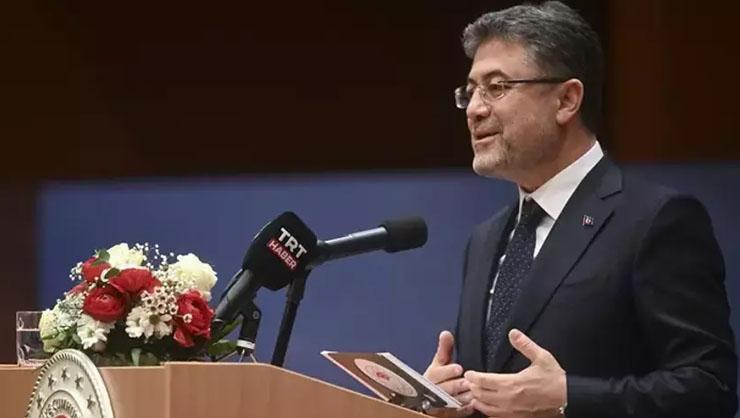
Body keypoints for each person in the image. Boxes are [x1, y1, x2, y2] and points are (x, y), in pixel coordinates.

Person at [423, 2, 738, 417]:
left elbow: (711, 388)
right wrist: (446, 398)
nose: (475, 109)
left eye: (496, 88)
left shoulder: (656, 220)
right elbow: (500, 393)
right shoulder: (485, 239)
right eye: (471, 91)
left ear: (567, 100)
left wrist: (569, 397)